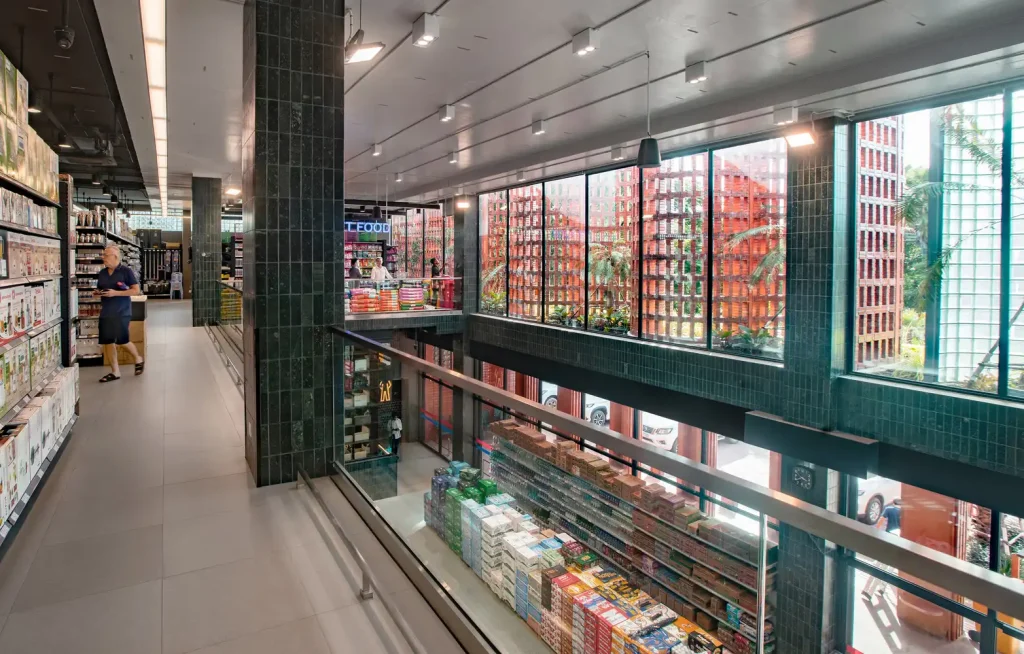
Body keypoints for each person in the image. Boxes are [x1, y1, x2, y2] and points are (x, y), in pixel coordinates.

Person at [96, 245, 144, 382]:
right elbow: (100, 288)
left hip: (122, 311)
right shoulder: (102, 273)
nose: (103, 258)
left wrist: (115, 293)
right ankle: (115, 372)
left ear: (115, 257)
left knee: (122, 340)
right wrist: (97, 293)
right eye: (103, 255)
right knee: (108, 342)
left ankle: (138, 358)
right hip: (106, 312)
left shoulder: (126, 271)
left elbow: (135, 290)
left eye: (106, 255)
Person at [861, 498, 903, 601]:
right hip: (898, 540)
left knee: (879, 565)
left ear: (893, 503)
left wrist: (877, 535)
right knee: (891, 565)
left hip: (888, 538)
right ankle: (882, 588)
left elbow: (880, 522)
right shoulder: (904, 513)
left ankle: (868, 591)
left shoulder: (889, 509)